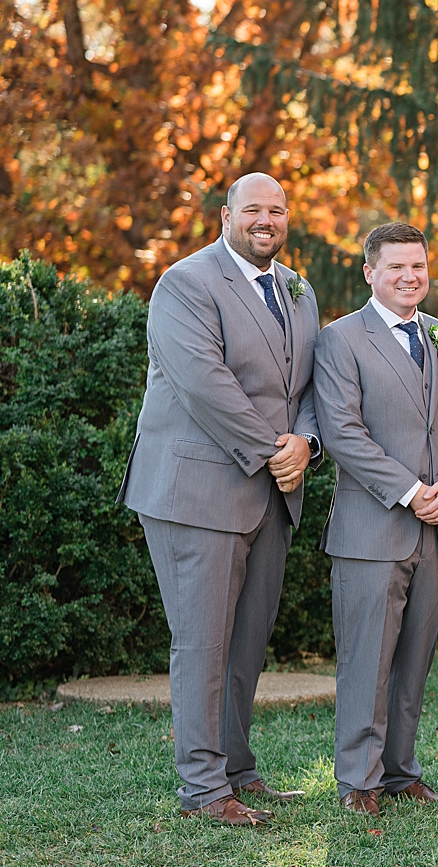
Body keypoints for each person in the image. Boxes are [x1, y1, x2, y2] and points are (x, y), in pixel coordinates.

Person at [119, 172, 322, 825]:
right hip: (195, 491)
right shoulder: (184, 283)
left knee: (246, 641)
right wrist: (275, 448)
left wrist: (308, 444)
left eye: (278, 210)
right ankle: (204, 790)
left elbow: (314, 383)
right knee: (203, 642)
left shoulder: (298, 288)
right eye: (254, 209)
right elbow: (207, 384)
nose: (267, 219)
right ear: (227, 215)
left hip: (271, 492)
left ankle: (237, 768)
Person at [312, 221, 438, 815]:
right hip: (373, 529)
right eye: (395, 268)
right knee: (367, 659)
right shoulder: (340, 340)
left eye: (418, 266)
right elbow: (342, 433)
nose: (409, 277)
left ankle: (400, 770)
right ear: (370, 273)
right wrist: (413, 491)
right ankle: (358, 780)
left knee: (415, 658)